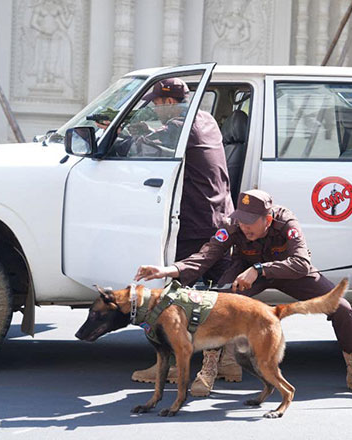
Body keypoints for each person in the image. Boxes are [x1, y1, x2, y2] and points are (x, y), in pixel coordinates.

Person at [135, 190, 352, 396]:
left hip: (288, 271)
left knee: (342, 308)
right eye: (241, 220)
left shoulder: (287, 223)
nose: (244, 226)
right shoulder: (234, 226)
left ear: (268, 218)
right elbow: (207, 255)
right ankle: (210, 369)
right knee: (215, 303)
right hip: (244, 272)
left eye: (250, 222)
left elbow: (301, 263)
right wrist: (168, 270)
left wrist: (261, 268)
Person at [130, 78, 237, 384]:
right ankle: (229, 363)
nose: (154, 108)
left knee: (173, 298)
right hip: (219, 217)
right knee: (221, 296)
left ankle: (172, 366)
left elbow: (142, 144)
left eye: (156, 103)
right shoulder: (208, 120)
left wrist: (130, 133)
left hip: (195, 221)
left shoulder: (183, 124)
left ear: (168, 103)